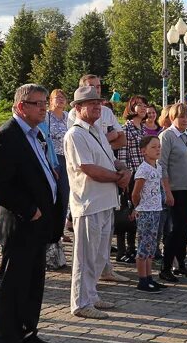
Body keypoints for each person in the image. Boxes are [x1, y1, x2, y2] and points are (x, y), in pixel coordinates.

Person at [0, 84, 63, 343]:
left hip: (38, 224)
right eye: (38, 103)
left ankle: (27, 331)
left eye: (45, 102)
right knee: (14, 285)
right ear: (21, 107)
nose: (44, 107)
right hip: (20, 223)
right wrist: (29, 210)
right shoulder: (7, 135)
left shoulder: (36, 134)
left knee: (33, 282)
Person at [65, 85, 130, 318]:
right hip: (88, 202)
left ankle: (91, 296)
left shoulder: (97, 131)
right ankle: (80, 303)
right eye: (91, 103)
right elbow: (89, 169)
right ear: (78, 107)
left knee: (100, 255)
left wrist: (123, 170)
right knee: (85, 257)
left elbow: (111, 161)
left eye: (99, 103)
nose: (97, 106)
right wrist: (118, 178)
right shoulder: (75, 134)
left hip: (105, 201)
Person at [159, 102, 187, 280]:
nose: (184, 120)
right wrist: (167, 191)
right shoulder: (167, 136)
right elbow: (162, 166)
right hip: (176, 190)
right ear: (172, 117)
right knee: (174, 230)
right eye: (180, 116)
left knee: (184, 230)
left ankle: (180, 264)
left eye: (186, 116)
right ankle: (165, 267)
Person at [131, 135, 172, 292]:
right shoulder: (143, 169)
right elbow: (136, 193)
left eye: (158, 147)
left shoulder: (158, 167)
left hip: (156, 210)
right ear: (144, 151)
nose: (157, 150)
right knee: (143, 246)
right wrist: (138, 206)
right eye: (153, 147)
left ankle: (149, 277)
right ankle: (142, 280)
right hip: (146, 211)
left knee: (151, 245)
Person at [115, 98, 147, 263]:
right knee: (126, 212)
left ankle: (132, 248)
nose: (143, 108)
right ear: (131, 107)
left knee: (136, 212)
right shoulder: (125, 129)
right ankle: (122, 251)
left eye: (145, 105)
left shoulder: (142, 129)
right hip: (131, 175)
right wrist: (125, 177)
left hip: (142, 175)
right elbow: (122, 154)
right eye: (139, 105)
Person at [45, 89, 71, 270]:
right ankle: (49, 247)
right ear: (50, 101)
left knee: (65, 200)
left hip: (68, 160)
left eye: (63, 98)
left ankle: (58, 238)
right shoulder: (46, 117)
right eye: (57, 98)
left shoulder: (69, 117)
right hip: (53, 161)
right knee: (54, 200)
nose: (60, 101)